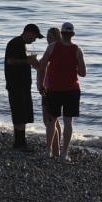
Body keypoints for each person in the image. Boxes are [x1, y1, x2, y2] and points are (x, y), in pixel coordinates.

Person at [38, 22, 86, 161]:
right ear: (73, 34)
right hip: (72, 90)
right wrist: (72, 67)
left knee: (51, 120)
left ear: (62, 33)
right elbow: (82, 73)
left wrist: (41, 84)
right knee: (68, 122)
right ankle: (64, 154)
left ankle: (48, 151)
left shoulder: (52, 47)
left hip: (54, 89)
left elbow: (42, 66)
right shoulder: (77, 50)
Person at [4, 23, 43, 149]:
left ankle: (20, 142)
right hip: (16, 84)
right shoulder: (16, 42)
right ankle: (19, 143)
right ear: (28, 32)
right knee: (19, 114)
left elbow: (19, 60)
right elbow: (10, 61)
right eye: (34, 36)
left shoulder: (22, 45)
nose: (34, 40)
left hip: (22, 85)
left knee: (23, 114)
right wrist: (28, 61)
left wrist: (33, 62)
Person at [35, 27, 60, 155]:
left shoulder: (52, 50)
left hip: (49, 88)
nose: (48, 39)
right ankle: (57, 149)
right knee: (54, 120)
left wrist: (37, 65)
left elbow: (45, 67)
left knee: (48, 120)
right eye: (47, 37)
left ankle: (53, 149)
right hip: (49, 87)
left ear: (57, 37)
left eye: (51, 37)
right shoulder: (55, 49)